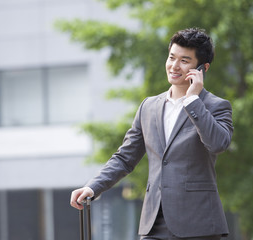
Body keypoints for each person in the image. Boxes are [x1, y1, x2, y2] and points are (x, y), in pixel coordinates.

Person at [70, 28, 233, 240]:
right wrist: (92, 187)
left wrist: (193, 101)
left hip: (198, 224)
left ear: (202, 68)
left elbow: (218, 144)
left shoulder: (216, 106)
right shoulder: (149, 106)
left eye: (184, 60)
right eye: (172, 57)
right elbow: (124, 158)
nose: (174, 66)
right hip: (154, 223)